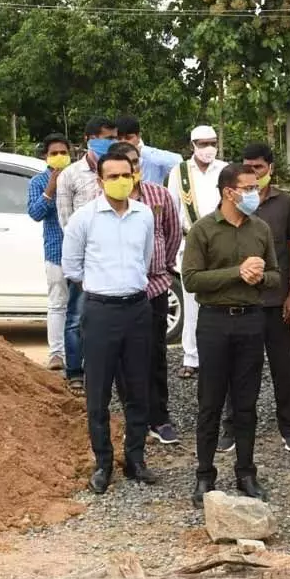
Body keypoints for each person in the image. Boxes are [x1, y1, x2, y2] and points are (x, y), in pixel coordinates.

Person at [182, 164, 280, 508]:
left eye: (256, 186)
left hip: (251, 322)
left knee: (246, 403)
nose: (256, 192)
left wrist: (259, 279)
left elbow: (275, 276)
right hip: (214, 323)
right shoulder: (203, 230)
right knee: (209, 402)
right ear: (229, 192)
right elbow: (191, 280)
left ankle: (246, 472)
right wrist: (237, 273)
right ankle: (205, 475)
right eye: (249, 187)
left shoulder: (261, 229)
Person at [62, 152, 158, 495]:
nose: (120, 180)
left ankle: (136, 459)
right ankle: (103, 462)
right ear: (100, 181)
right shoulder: (84, 219)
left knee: (137, 389)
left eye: (126, 174)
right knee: (98, 393)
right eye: (112, 175)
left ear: (134, 176)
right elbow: (72, 268)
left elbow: (145, 259)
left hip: (136, 309)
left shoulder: (144, 215)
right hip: (101, 311)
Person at [217, 144, 290, 453]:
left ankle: (289, 426)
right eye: (247, 167)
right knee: (237, 368)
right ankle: (233, 427)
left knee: (284, 367)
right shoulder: (234, 204)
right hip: (241, 303)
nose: (253, 172)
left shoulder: (286, 203)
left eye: (257, 167)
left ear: (270, 168)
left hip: (275, 302)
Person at [107, 142, 184, 444]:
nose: (129, 173)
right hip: (118, 293)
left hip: (154, 289)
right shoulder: (101, 202)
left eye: (135, 164)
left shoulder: (158, 195)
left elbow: (173, 233)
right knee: (123, 358)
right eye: (122, 167)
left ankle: (159, 418)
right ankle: (133, 417)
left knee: (155, 354)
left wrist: (163, 268)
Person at [56, 116, 118, 395]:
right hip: (84, 259)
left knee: (107, 319)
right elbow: (66, 221)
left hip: (113, 258)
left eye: (115, 137)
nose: (112, 142)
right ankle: (74, 372)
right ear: (89, 139)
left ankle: (102, 371)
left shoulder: (119, 171)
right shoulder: (71, 175)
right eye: (107, 137)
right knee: (76, 317)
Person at [167, 125, 229, 380]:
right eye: (202, 144)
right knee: (192, 303)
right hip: (190, 241)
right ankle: (191, 357)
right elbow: (172, 210)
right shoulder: (180, 172)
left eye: (212, 143)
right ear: (192, 145)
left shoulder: (225, 169)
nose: (208, 148)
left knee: (223, 299)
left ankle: (222, 355)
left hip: (221, 241)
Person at [27, 133, 71, 372]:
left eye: (63, 152)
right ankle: (56, 354)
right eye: (54, 153)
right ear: (45, 156)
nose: (59, 157)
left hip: (82, 252)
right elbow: (35, 213)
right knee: (57, 304)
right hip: (56, 251)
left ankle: (79, 354)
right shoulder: (36, 182)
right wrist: (50, 188)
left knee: (82, 306)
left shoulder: (78, 178)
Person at [115, 115, 182, 185]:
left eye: (128, 138)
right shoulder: (110, 158)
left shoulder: (152, 157)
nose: (123, 142)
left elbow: (178, 162)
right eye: (119, 139)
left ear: (138, 136)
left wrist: (141, 151)